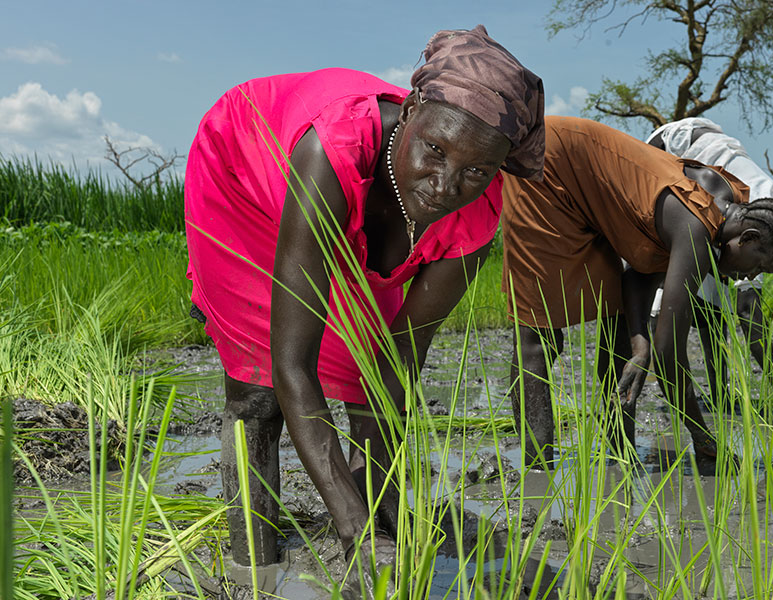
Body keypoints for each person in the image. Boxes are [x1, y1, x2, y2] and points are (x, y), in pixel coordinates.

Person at [183, 25, 544, 574]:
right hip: (251, 166)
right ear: (414, 105)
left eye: (475, 171)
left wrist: (384, 509)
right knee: (260, 394)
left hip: (338, 201)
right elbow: (292, 366)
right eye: (435, 150)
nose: (445, 187)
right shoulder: (332, 151)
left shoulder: (476, 216)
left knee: (364, 376)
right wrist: (356, 529)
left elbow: (396, 367)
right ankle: (252, 566)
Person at [500, 116, 773, 473]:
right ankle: (537, 471)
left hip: (586, 183)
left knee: (619, 329)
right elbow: (669, 352)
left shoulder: (725, 199)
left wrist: (638, 345)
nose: (750, 276)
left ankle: (620, 450)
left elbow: (637, 277)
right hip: (548, 166)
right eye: (758, 267)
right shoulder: (697, 228)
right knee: (539, 335)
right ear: (749, 237)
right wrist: (700, 434)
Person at [646, 118, 773, 420]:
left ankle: (718, 394)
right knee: (696, 289)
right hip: (676, 147)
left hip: (720, 159)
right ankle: (701, 392)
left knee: (715, 291)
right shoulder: (765, 217)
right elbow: (748, 313)